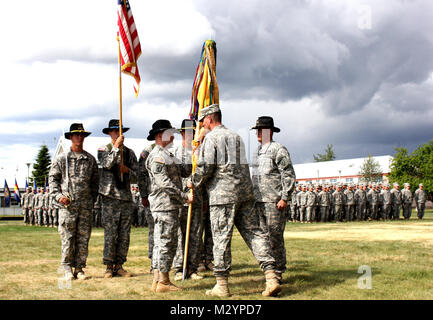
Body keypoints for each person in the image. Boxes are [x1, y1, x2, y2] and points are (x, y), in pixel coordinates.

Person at [187, 104, 281, 297]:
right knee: (256, 234)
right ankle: (271, 276)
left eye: (203, 121)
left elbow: (206, 167)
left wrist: (192, 182)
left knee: (221, 238)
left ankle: (221, 285)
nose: (202, 125)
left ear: (209, 119)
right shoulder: (236, 136)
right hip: (245, 194)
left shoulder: (212, 138)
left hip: (223, 196)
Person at [145, 119, 194, 293]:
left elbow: (186, 170)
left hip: (168, 206)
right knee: (166, 242)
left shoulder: (168, 154)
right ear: (159, 136)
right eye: (168, 132)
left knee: (161, 243)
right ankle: (164, 281)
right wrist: (184, 196)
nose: (172, 135)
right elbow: (164, 183)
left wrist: (191, 148)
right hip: (164, 206)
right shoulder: (158, 156)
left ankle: (158, 280)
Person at [49, 123, 99, 280]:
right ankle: (66, 268)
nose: (79, 137)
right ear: (70, 137)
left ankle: (79, 268)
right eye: (76, 134)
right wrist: (58, 196)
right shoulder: (62, 158)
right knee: (67, 237)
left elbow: (95, 183)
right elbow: (53, 180)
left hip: (85, 207)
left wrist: (91, 201)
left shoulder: (90, 159)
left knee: (83, 238)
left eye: (82, 135)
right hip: (68, 206)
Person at [251, 116, 296, 283]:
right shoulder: (257, 151)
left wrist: (285, 197)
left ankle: (278, 271)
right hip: (259, 201)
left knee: (275, 237)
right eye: (257, 130)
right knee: (263, 238)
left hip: (274, 202)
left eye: (261, 130)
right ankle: (270, 273)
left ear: (269, 131)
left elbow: (288, 174)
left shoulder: (279, 149)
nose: (258, 133)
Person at [98, 119, 138, 278]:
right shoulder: (104, 149)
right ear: (109, 133)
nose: (117, 133)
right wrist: (115, 148)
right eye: (114, 131)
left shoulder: (130, 153)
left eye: (119, 131)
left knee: (124, 234)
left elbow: (138, 176)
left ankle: (119, 265)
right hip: (110, 197)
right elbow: (106, 164)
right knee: (111, 233)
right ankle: (109, 266)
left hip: (125, 198)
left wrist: (126, 170)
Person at [172, 119, 205, 281]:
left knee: (195, 234)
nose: (190, 135)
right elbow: (172, 177)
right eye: (187, 132)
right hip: (181, 200)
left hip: (197, 199)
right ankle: (179, 268)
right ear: (182, 134)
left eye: (194, 132)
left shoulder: (200, 153)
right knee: (179, 235)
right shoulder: (176, 153)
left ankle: (192, 268)